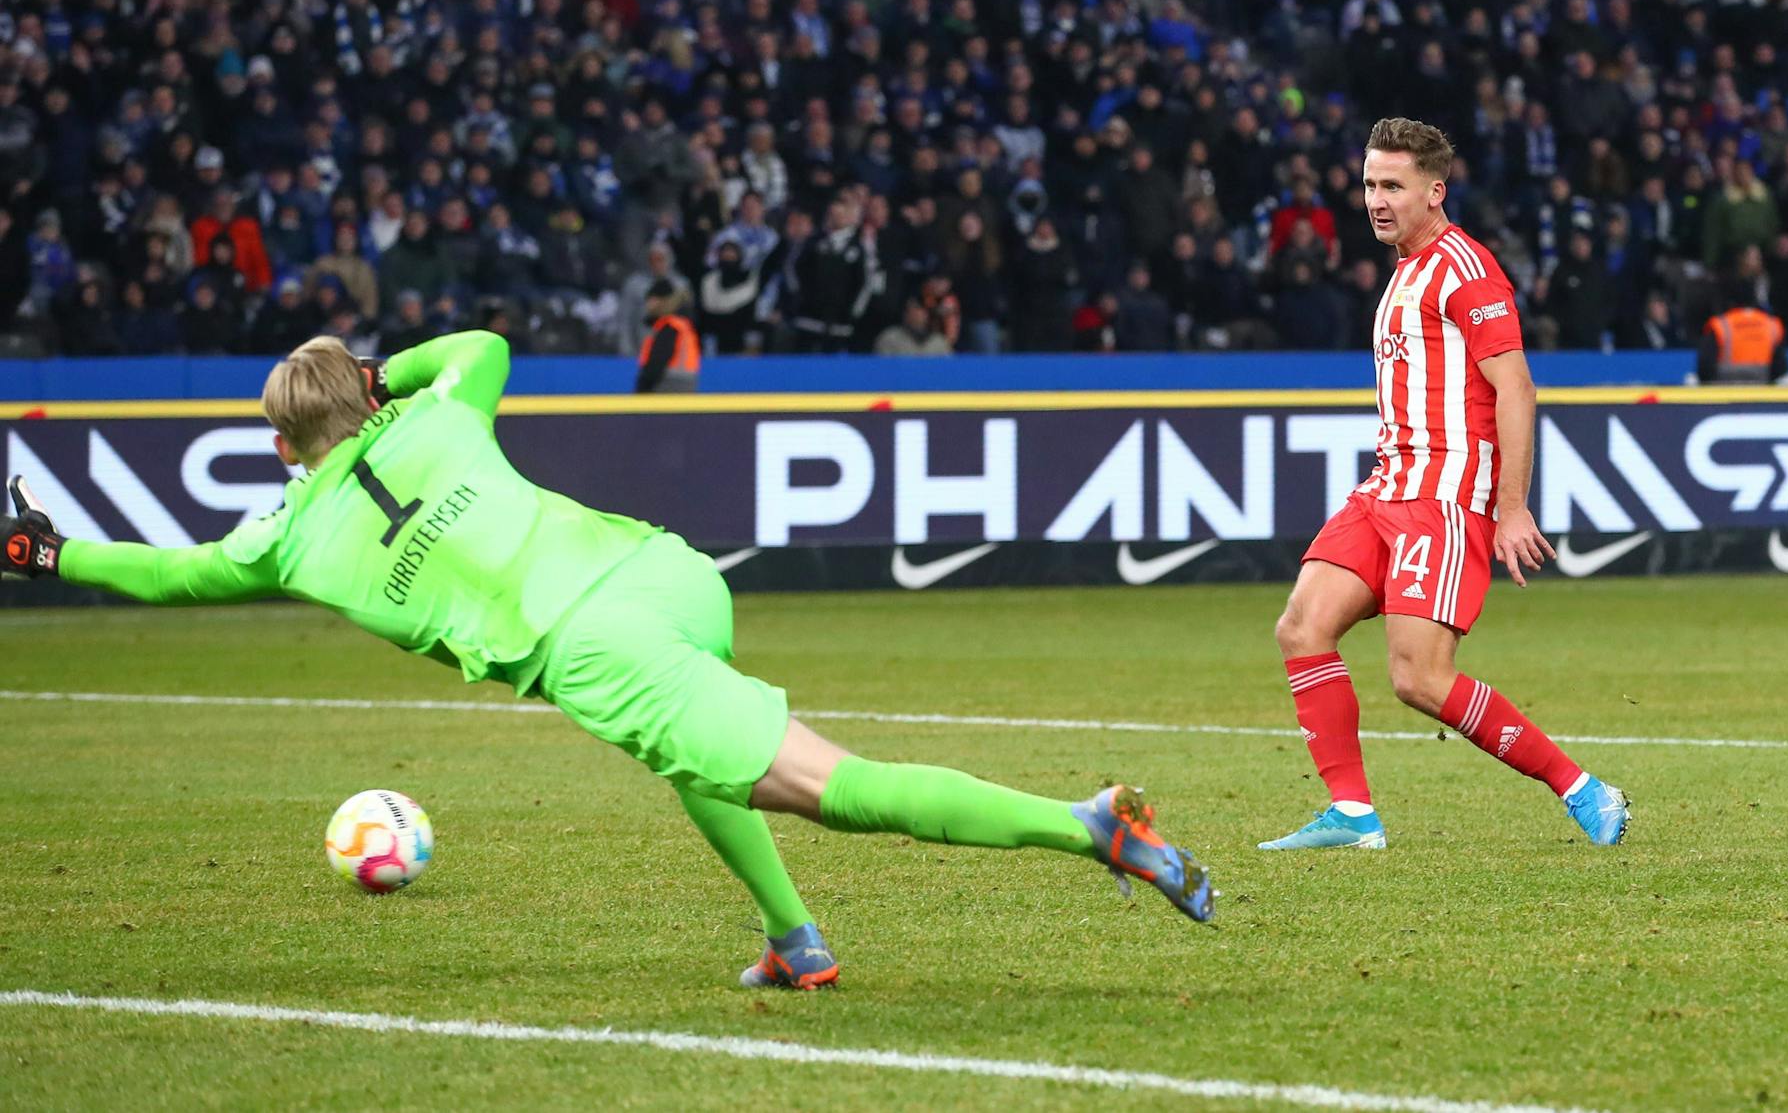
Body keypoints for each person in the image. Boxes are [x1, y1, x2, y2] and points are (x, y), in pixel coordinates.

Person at [0, 335, 1217, 990]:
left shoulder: (279, 541)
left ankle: (1088, 825)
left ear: (280, 444)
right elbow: (477, 340)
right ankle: (797, 940)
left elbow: (168, 571)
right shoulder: (435, 409)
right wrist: (388, 379)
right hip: (669, 574)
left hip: (596, 647)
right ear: (365, 398)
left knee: (839, 790)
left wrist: (50, 554)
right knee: (693, 761)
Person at [1263, 118, 1631, 852]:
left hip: (1443, 498)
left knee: (1419, 677)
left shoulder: (1465, 269)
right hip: (1385, 489)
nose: (1376, 199)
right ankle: (1353, 814)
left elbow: (1516, 387)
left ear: (1435, 192)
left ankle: (1584, 788)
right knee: (1302, 627)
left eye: (1392, 185)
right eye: (1369, 183)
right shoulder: (1406, 268)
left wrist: (1512, 506)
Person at [1697, 280, 1788, 383]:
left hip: (1724, 392)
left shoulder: (1720, 325)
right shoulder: (1772, 325)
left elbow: (1704, 367)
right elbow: (1781, 367)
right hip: (1760, 392)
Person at [635, 280, 702, 393]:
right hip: (686, 389)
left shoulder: (669, 326)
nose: (648, 305)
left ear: (662, 301)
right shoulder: (683, 324)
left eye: (652, 299)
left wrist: (642, 389)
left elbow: (656, 364)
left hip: (667, 387)